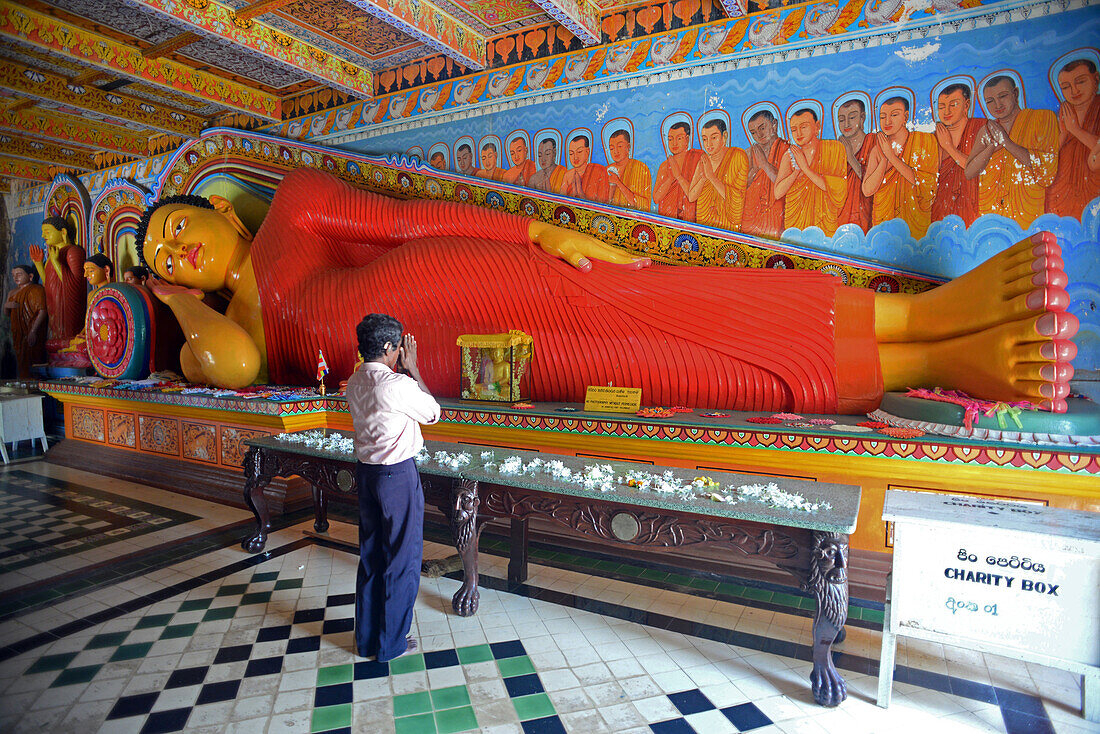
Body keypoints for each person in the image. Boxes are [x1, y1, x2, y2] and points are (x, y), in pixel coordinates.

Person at [137, 168, 1076, 414]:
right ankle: (943, 361)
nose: (176, 245)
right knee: (667, 366)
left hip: (459, 275)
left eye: (179, 223)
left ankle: (930, 313)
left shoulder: (297, 205)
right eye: (163, 253)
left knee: (665, 302)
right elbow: (234, 366)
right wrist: (174, 298)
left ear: (219, 208)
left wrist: (539, 231)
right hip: (459, 367)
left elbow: (411, 220)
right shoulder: (235, 327)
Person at [345, 313, 441, 662]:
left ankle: (368, 640)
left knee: (371, 556)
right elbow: (433, 413)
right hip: (397, 477)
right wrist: (413, 369)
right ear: (388, 347)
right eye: (398, 346)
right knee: (402, 558)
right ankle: (391, 644)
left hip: (367, 475)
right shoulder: (397, 385)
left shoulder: (356, 381)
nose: (400, 351)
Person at [965, 75, 1058, 228]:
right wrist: (991, 148)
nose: (997, 104)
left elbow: (1046, 167)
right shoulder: (987, 130)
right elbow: (969, 172)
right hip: (992, 212)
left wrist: (1007, 142)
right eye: (990, 101)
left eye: (1003, 96)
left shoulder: (1042, 118)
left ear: (1015, 93)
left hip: (1027, 211)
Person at [862, 96, 938, 239]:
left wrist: (892, 157)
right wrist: (884, 159)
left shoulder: (924, 141)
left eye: (894, 115)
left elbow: (926, 184)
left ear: (906, 116)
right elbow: (867, 190)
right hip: (883, 220)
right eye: (883, 116)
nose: (887, 121)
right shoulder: (877, 150)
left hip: (914, 220)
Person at [774, 109, 847, 236]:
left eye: (803, 127)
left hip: (824, 220)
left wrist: (806, 169)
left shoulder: (833, 149)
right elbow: (778, 193)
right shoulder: (790, 156)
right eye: (794, 130)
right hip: (796, 221)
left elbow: (837, 189)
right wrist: (796, 171)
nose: (799, 133)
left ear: (817, 126)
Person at [1046, 59, 1100, 219]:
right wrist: (1063, 133)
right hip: (1062, 191)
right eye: (1066, 87)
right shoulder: (1062, 115)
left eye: (1081, 81)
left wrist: (1075, 130)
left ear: (1095, 79)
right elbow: (1049, 158)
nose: (1074, 90)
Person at [30, 216, 86, 357]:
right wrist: (38, 264)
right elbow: (48, 283)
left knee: (67, 338)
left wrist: (55, 262)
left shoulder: (73, 252)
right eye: (43, 232)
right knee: (53, 340)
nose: (43, 236)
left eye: (48, 232)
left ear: (63, 232)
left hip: (68, 305)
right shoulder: (52, 255)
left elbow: (75, 285)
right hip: (53, 304)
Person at [932, 83, 985, 226]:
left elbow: (978, 169)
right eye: (942, 107)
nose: (946, 111)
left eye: (953, 105)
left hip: (973, 204)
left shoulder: (981, 129)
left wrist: (949, 147)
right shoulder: (933, 138)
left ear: (966, 105)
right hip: (941, 208)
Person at [687, 118, 747, 230]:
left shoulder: (737, 156)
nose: (708, 144)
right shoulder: (703, 161)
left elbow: (737, 199)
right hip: (703, 221)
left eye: (714, 138)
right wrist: (703, 178)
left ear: (724, 136)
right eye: (705, 139)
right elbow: (691, 197)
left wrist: (712, 177)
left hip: (726, 226)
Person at [742, 109, 788, 239]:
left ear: (774, 124)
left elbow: (785, 186)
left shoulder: (787, 150)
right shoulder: (750, 153)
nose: (759, 134)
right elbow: (739, 189)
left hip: (776, 214)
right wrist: (754, 171)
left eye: (762, 128)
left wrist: (765, 164)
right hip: (751, 215)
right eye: (753, 132)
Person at [835, 99, 875, 231]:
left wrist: (850, 157)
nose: (846, 123)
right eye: (841, 119)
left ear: (862, 118)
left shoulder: (873, 142)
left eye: (852, 117)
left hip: (865, 212)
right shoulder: (836, 148)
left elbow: (872, 183)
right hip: (840, 214)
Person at [653, 121, 702, 221]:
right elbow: (656, 198)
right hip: (668, 217)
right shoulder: (665, 165)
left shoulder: (697, 159)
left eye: (679, 138)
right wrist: (671, 178)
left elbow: (695, 195)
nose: (674, 143)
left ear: (687, 139)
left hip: (690, 217)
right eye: (670, 139)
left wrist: (679, 176)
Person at [5, 264, 47, 378]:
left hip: (32, 331)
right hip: (18, 334)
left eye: (19, 274)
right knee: (21, 360)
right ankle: (24, 381)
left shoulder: (36, 289)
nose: (15, 278)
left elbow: (42, 311)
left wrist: (33, 331)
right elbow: (6, 314)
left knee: (33, 359)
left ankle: (33, 384)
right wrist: (6, 306)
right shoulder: (12, 293)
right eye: (13, 275)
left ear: (30, 276)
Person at [606, 129, 652, 211]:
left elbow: (643, 205)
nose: (615, 151)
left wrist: (618, 183)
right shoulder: (607, 170)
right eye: (612, 148)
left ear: (628, 147)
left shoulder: (640, 168)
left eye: (620, 146)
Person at [562, 135, 609, 203]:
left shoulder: (598, 171)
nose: (575, 157)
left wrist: (581, 195)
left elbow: (603, 202)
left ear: (587, 152)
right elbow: (562, 200)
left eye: (579, 152)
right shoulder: (568, 175)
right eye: (571, 153)